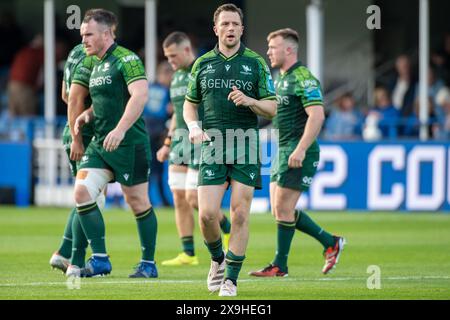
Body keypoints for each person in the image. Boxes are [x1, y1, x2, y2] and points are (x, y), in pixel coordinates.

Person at [183, 4, 277, 296]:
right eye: (225, 24)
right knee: (207, 215)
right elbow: (190, 103)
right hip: (212, 144)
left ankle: (231, 280)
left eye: (235, 24)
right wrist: (192, 126)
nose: (231, 28)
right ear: (216, 29)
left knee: (239, 213)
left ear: (242, 29)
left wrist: (250, 100)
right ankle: (217, 260)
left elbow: (272, 108)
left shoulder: (255, 62)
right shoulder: (202, 64)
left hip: (245, 143)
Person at [249, 28, 346, 278]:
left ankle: (280, 265)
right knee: (279, 210)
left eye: (273, 47)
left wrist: (301, 149)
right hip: (282, 150)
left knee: (283, 209)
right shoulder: (278, 78)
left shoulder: (304, 78)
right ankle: (330, 242)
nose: (268, 51)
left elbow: (317, 115)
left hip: (298, 151)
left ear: (289, 49)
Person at [71, 9, 158, 278]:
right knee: (82, 192)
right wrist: (88, 114)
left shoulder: (127, 59)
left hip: (129, 143)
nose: (83, 39)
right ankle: (99, 259)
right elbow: (105, 102)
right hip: (100, 143)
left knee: (137, 201)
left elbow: (140, 95)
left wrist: (120, 129)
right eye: (82, 34)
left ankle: (148, 264)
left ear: (107, 33)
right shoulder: (93, 64)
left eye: (89, 34)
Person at [156, 31, 231, 266]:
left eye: (173, 56)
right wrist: (167, 143)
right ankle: (188, 253)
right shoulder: (177, 77)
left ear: (187, 50)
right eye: (167, 57)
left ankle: (227, 231)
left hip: (201, 140)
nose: (170, 62)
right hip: (180, 141)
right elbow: (180, 114)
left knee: (195, 198)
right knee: (178, 197)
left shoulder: (204, 69)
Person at [49, 42, 104, 275]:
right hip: (86, 134)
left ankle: (63, 252)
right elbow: (75, 98)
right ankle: (72, 258)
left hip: (68, 130)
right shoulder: (98, 57)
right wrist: (82, 126)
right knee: (89, 196)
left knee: (84, 196)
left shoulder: (74, 52)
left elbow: (65, 94)